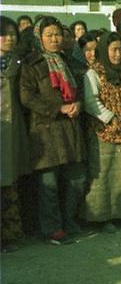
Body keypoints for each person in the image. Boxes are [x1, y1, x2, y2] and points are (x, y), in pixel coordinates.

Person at [19, 16, 86, 244]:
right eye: (49, 35)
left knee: (76, 180)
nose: (55, 39)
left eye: (57, 34)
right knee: (49, 184)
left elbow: (80, 90)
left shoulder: (67, 61)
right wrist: (58, 108)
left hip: (70, 127)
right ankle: (52, 228)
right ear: (39, 37)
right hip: (46, 130)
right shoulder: (31, 64)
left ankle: (69, 221)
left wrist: (78, 104)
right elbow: (27, 97)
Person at [82, 32, 121, 233]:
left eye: (120, 49)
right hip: (103, 131)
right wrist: (110, 117)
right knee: (103, 174)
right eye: (114, 49)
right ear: (104, 51)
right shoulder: (94, 73)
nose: (117, 53)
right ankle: (100, 217)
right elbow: (91, 101)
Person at [1, 16, 31, 252]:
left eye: (13, 34)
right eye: (5, 34)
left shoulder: (18, 63)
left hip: (12, 129)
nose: (10, 38)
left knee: (9, 181)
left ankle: (10, 235)